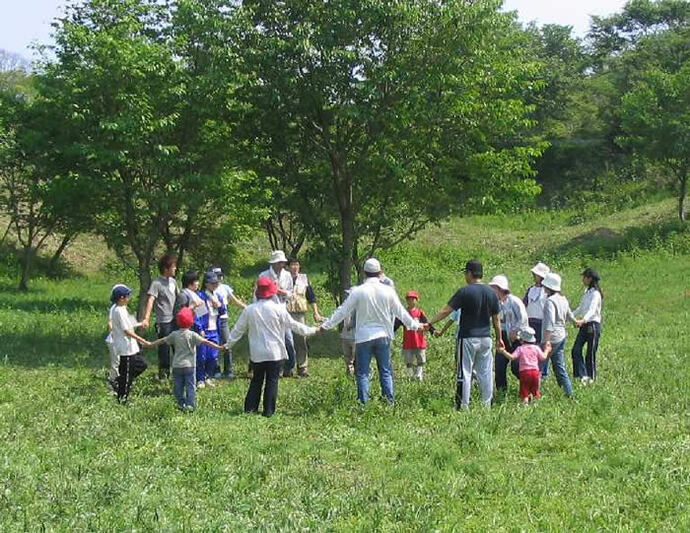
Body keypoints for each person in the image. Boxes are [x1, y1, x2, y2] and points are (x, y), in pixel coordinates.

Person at [320, 258, 425, 404]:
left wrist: (325, 326)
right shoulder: (388, 291)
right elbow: (401, 313)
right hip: (383, 336)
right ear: (380, 272)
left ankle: (363, 402)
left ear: (364, 273)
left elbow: (343, 311)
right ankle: (389, 401)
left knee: (362, 372)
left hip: (364, 337)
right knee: (385, 371)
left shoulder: (358, 291)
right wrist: (415, 325)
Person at [226, 277, 318, 417]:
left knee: (256, 380)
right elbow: (295, 326)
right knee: (272, 381)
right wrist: (313, 330)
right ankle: (269, 411)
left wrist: (227, 345)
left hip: (257, 353)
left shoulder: (250, 310)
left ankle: (250, 409)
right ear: (272, 293)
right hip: (275, 353)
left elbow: (238, 330)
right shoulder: (279, 309)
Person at [428, 259, 503, 409]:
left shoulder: (464, 291)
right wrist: (499, 339)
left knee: (465, 372)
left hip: (467, 337)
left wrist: (430, 323)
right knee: (486, 372)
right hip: (486, 338)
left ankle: (463, 405)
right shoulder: (491, 293)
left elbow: (446, 311)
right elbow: (496, 319)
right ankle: (487, 405)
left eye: (465, 273)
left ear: (469, 273)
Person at [149, 307, 226, 411]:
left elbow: (163, 340)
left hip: (177, 366)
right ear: (191, 322)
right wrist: (219, 347)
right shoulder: (193, 335)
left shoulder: (174, 335)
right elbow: (206, 342)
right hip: (190, 366)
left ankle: (180, 404)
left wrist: (150, 344)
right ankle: (190, 405)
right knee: (190, 386)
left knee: (178, 387)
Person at [258, 250, 296, 377]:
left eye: (283, 263)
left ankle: (289, 366)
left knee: (288, 339)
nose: (281, 265)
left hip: (282, 309)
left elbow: (291, 293)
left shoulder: (287, 275)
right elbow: (257, 294)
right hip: (268, 311)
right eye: (279, 263)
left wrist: (283, 293)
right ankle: (276, 367)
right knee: (272, 340)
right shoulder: (264, 275)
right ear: (274, 263)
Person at [488, 275, 528, 394]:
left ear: (500, 289)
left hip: (517, 339)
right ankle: (501, 392)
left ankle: (527, 388)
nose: (492, 290)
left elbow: (523, 319)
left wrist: (516, 331)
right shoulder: (494, 303)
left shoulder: (514, 301)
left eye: (494, 288)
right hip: (503, 337)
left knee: (516, 367)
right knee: (499, 367)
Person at [141, 253, 179, 379]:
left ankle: (178, 373)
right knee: (164, 349)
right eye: (173, 267)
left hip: (175, 320)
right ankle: (164, 374)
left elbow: (180, 297)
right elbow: (151, 299)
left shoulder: (173, 282)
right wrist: (146, 317)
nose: (175, 269)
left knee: (177, 346)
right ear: (165, 268)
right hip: (163, 321)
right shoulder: (156, 283)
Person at [110, 285, 149, 403]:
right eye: (127, 296)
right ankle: (122, 399)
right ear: (121, 298)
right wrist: (142, 340)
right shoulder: (118, 310)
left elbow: (129, 325)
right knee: (127, 376)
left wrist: (140, 324)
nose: (129, 298)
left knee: (141, 364)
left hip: (131, 347)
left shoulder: (123, 309)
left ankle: (117, 381)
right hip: (125, 348)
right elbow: (126, 331)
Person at [286, 257, 324, 378]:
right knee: (287, 341)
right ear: (288, 267)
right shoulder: (283, 278)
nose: (295, 267)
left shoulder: (304, 279)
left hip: (299, 313)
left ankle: (302, 367)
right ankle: (287, 367)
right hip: (285, 312)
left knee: (301, 339)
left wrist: (316, 312)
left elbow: (311, 297)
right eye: (292, 265)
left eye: (296, 264)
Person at [541, 272, 576, 397]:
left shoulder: (550, 301)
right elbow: (569, 314)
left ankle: (533, 394)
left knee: (537, 366)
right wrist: (575, 322)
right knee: (559, 367)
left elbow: (549, 322)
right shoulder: (563, 299)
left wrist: (547, 340)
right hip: (562, 336)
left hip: (552, 337)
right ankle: (569, 393)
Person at [498, 326, 551, 404]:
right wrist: (547, 350)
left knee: (524, 392)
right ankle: (536, 405)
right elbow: (543, 358)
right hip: (535, 372)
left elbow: (512, 357)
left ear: (522, 340)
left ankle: (525, 406)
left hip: (524, 373)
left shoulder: (520, 348)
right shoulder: (536, 348)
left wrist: (503, 351)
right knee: (535, 391)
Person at [210, 266, 246, 379]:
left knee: (227, 343)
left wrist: (247, 308)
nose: (219, 278)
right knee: (214, 344)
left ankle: (228, 369)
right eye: (216, 276)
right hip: (212, 319)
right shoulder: (209, 289)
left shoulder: (225, 288)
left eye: (220, 275)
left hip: (223, 319)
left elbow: (235, 301)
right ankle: (215, 369)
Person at [571, 267, 603, 384]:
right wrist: (570, 316)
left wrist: (583, 320)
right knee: (576, 350)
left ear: (589, 279)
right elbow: (581, 308)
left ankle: (591, 378)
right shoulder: (587, 293)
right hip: (584, 324)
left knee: (590, 352)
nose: (583, 279)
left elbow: (592, 310)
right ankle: (581, 374)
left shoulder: (596, 294)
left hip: (593, 325)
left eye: (584, 277)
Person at [394, 290, 435, 381]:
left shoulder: (419, 313)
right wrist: (391, 332)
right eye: (408, 299)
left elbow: (426, 323)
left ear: (417, 300)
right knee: (408, 359)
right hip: (408, 341)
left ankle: (419, 374)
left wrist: (433, 331)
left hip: (419, 340)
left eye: (413, 299)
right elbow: (396, 324)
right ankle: (410, 374)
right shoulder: (403, 313)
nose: (410, 301)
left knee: (420, 358)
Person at [195, 271, 225, 389]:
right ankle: (200, 378)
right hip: (204, 330)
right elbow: (197, 315)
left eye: (216, 283)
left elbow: (223, 312)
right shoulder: (201, 296)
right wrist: (199, 328)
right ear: (206, 284)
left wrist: (219, 306)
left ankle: (208, 376)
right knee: (201, 356)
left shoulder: (218, 296)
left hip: (214, 330)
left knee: (213, 356)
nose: (215, 285)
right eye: (212, 283)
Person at [523, 262, 551, 378]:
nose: (534, 276)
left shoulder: (547, 291)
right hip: (531, 321)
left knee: (542, 346)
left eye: (536, 274)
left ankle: (543, 372)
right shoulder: (531, 289)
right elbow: (524, 303)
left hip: (542, 322)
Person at [339, 290, 356, 376]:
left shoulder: (360, 308)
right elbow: (337, 315)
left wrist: (351, 325)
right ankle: (349, 376)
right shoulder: (345, 307)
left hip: (356, 337)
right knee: (347, 359)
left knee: (357, 359)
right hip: (345, 336)